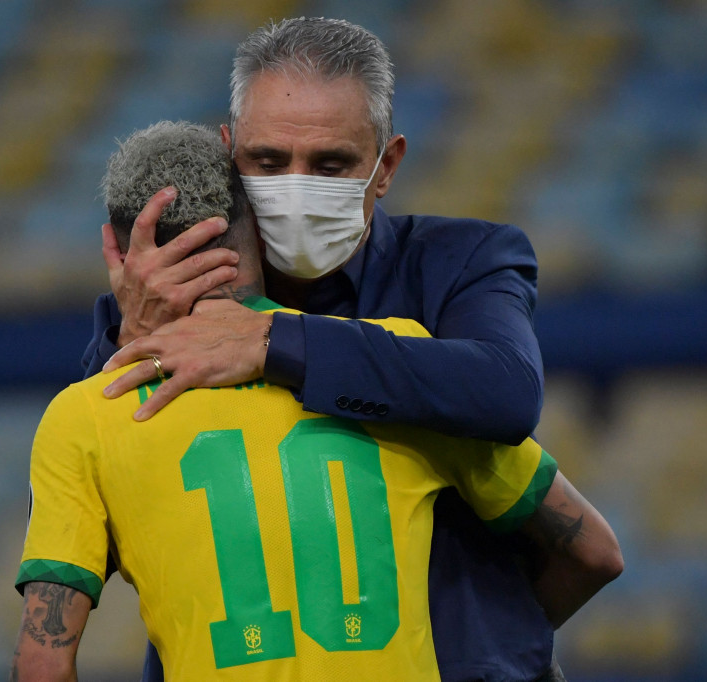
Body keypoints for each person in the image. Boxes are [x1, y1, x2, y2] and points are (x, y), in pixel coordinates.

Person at [10, 121, 622, 681]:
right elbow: (593, 552)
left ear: (119, 257)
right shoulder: (400, 363)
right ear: (258, 223)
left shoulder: (85, 415)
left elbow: (42, 667)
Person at [82, 17, 560, 682]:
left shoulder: (460, 261)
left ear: (386, 165)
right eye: (268, 162)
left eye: (331, 164)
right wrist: (135, 339)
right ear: (228, 154)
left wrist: (273, 340)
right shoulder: (161, 302)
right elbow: (83, 519)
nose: (296, 187)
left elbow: (507, 392)